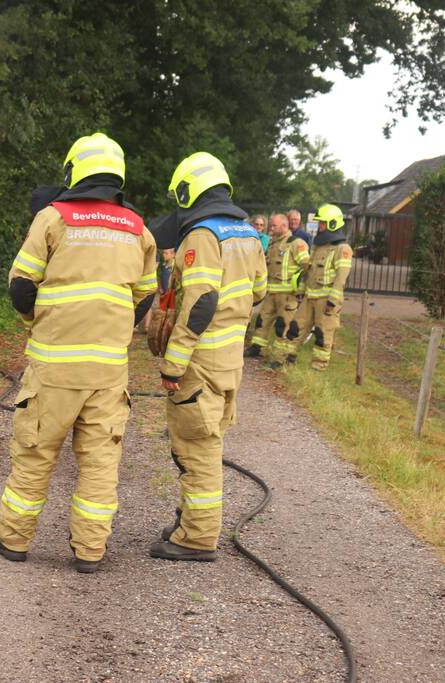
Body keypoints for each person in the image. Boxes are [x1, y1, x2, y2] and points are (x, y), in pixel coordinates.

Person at [0, 132, 157, 574]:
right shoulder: (138, 229)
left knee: (34, 454)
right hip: (108, 371)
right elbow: (145, 294)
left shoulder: (53, 218)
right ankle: (89, 551)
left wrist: (38, 323)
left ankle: (13, 542)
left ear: (72, 170)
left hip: (54, 368)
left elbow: (21, 285)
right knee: (100, 464)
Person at [147, 152, 266, 562]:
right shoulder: (248, 233)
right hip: (231, 360)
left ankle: (196, 537)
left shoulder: (202, 235)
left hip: (200, 362)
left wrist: (173, 364)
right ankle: (189, 520)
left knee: (195, 449)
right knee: (208, 442)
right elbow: (261, 291)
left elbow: (201, 303)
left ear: (187, 190)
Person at [284, 204, 352, 370]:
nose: (319, 226)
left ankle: (318, 368)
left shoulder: (343, 249)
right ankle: (286, 359)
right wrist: (300, 290)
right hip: (309, 297)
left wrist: (333, 301)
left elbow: (341, 278)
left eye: (322, 223)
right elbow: (308, 271)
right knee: (296, 328)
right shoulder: (318, 247)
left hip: (326, 301)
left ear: (333, 224)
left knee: (323, 334)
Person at [246, 213, 309, 361]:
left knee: (284, 326)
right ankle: (256, 347)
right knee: (262, 321)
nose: (271, 228)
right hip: (271, 292)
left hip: (288, 294)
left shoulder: (296, 243)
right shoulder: (273, 243)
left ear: (284, 226)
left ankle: (283, 358)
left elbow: (306, 267)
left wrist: (301, 290)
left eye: (274, 225)